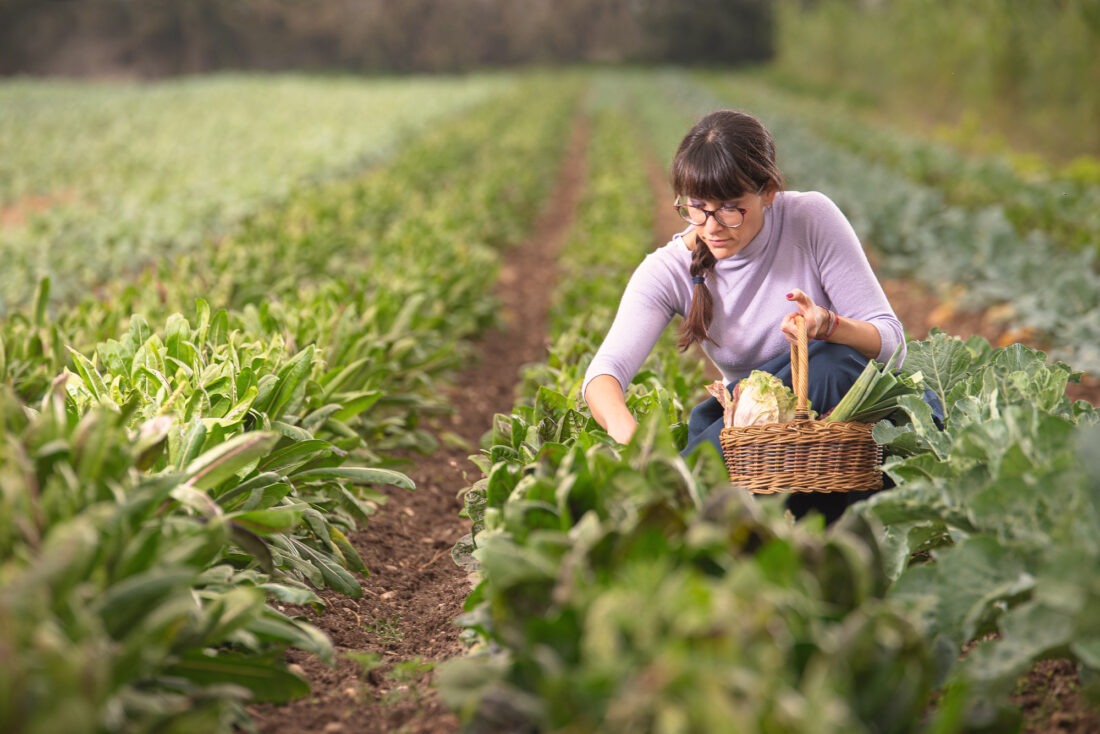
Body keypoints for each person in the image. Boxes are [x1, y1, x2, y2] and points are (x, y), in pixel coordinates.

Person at [581, 109, 906, 523]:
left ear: (767, 191)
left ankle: (688, 497)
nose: (711, 226)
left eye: (730, 208)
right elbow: (603, 374)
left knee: (830, 363)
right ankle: (687, 494)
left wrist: (828, 324)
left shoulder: (810, 219)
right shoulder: (668, 270)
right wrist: (631, 441)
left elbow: (892, 345)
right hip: (756, 448)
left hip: (841, 433)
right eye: (696, 208)